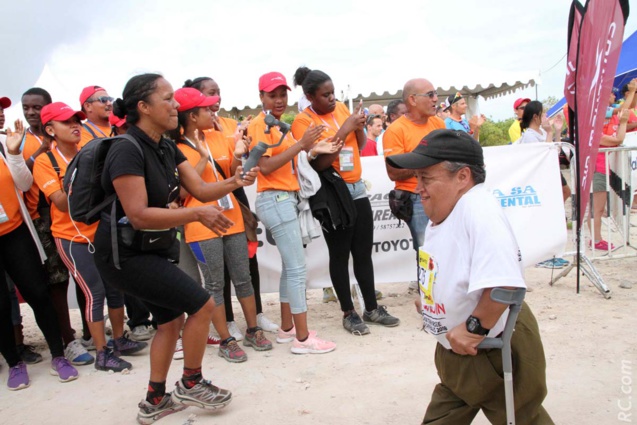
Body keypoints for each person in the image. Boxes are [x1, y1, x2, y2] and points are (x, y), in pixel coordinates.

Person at [92, 73, 254, 423]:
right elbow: (137, 215)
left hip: (147, 249)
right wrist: (196, 213)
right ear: (143, 106)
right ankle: (191, 382)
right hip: (123, 255)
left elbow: (200, 188)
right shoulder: (125, 148)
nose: (176, 105)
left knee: (169, 320)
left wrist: (234, 181)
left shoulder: (165, 145)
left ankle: (155, 399)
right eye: (167, 99)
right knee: (202, 304)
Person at [386, 129, 553, 424]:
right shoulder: (453, 209)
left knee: (523, 418)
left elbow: (505, 284)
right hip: (462, 354)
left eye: (427, 178)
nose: (419, 188)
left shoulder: (479, 210)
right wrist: (432, 300)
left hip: (490, 352)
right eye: (418, 178)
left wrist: (473, 329)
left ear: (462, 177)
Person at [33, 102, 146, 372]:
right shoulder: (45, 161)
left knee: (115, 287)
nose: (75, 125)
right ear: (50, 129)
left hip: (101, 232)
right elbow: (61, 203)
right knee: (95, 292)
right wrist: (85, 180)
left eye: (77, 120)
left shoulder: (89, 152)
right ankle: (101, 353)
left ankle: (119, 340)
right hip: (71, 237)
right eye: (66, 122)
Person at [292, 67, 400, 335]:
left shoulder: (341, 108)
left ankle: (372, 308)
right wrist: (344, 128)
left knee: (363, 252)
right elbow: (317, 165)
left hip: (357, 187)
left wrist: (358, 126)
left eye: (333, 93)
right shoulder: (303, 122)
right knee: (340, 255)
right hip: (332, 192)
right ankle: (348, 312)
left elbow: (359, 144)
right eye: (325, 95)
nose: (332, 99)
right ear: (309, 96)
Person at [171, 87, 272, 363]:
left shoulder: (216, 136)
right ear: (192, 115)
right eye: (206, 108)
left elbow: (230, 176)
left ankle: (252, 330)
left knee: (243, 277)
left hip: (232, 219)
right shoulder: (175, 148)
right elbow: (180, 194)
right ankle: (226, 340)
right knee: (214, 284)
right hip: (201, 224)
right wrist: (202, 158)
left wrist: (241, 160)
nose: (212, 111)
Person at [247, 71, 339, 353]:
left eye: (282, 94)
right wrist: (302, 145)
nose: (279, 99)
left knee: (291, 267)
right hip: (275, 198)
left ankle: (289, 330)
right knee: (298, 269)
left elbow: (287, 160)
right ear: (261, 97)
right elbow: (264, 167)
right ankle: (302, 338)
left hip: (283, 198)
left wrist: (310, 149)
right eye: (272, 95)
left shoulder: (275, 124)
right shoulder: (259, 125)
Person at [1, 118, 79, 390]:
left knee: (38, 292)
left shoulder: (5, 145)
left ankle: (58, 356)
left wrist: (13, 154)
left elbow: (24, 184)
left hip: (15, 233)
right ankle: (14, 363)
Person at [19, 87, 91, 364]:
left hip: (77, 213)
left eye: (36, 107)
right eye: (26, 107)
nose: (30, 112)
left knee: (85, 279)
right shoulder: (19, 140)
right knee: (56, 281)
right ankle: (67, 339)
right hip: (40, 219)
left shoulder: (73, 137)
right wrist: (35, 152)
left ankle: (89, 332)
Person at [383, 78, 445, 288]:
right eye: (430, 94)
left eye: (435, 94)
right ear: (412, 100)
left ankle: (445, 292)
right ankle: (428, 299)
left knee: (446, 246)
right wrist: (426, 164)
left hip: (444, 195)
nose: (436, 99)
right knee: (425, 249)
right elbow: (393, 172)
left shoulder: (438, 123)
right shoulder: (396, 130)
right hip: (416, 198)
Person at [515, 101, 570, 269]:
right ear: (535, 116)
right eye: (543, 113)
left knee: (565, 192)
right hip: (541, 176)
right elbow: (542, 154)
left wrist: (557, 131)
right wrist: (549, 132)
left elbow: (555, 149)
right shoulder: (530, 135)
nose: (546, 116)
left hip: (551, 172)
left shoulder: (539, 132)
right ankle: (541, 254)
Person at [591, 104, 631, 251]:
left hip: (597, 170)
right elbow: (618, 140)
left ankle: (595, 238)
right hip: (598, 171)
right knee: (598, 209)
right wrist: (624, 122)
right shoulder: (595, 134)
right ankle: (596, 240)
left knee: (595, 209)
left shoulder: (592, 132)